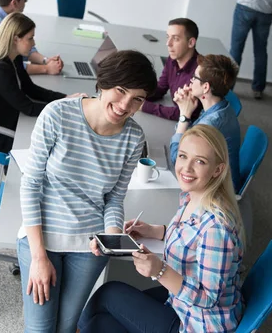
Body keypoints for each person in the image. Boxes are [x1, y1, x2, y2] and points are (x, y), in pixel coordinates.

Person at [17, 50, 157, 333]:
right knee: (40, 329)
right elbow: (31, 184)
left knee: (67, 327)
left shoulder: (133, 137)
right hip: (43, 239)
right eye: (120, 91)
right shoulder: (57, 114)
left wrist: (113, 235)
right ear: (103, 82)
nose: (125, 105)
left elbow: (115, 198)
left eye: (137, 99)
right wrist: (38, 257)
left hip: (89, 247)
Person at [79, 124, 246, 333]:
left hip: (198, 324)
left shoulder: (216, 229)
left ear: (217, 170)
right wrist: (155, 231)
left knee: (107, 294)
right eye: (183, 156)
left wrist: (159, 270)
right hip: (180, 305)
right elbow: (193, 241)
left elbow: (208, 298)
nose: (186, 168)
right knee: (99, 324)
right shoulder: (192, 196)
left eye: (200, 161)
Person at [0, 12, 84, 153]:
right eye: (30, 38)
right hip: (4, 131)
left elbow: (30, 89)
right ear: (15, 39)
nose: (34, 43)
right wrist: (64, 107)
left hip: (15, 117)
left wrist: (65, 98)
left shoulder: (14, 57)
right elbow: (28, 108)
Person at [170, 54, 242, 193]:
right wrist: (186, 108)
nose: (191, 81)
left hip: (217, 190)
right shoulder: (222, 106)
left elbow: (176, 158)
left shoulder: (211, 124)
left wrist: (184, 116)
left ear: (206, 87)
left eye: (194, 77)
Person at [141, 18, 202, 121]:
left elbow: (185, 113)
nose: (168, 43)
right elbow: (161, 88)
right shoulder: (173, 59)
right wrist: (137, 94)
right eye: (168, 37)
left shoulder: (199, 73)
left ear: (191, 42)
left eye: (176, 38)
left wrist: (144, 106)